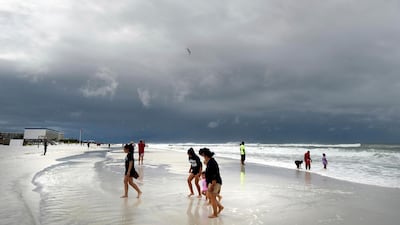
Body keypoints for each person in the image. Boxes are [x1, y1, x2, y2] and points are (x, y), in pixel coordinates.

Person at [199, 148, 224, 218]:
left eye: (203, 156)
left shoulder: (212, 163)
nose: (203, 159)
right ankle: (220, 207)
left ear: (205, 155)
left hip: (215, 182)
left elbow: (214, 175)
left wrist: (212, 185)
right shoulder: (210, 162)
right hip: (212, 182)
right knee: (211, 196)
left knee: (212, 197)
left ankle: (215, 214)